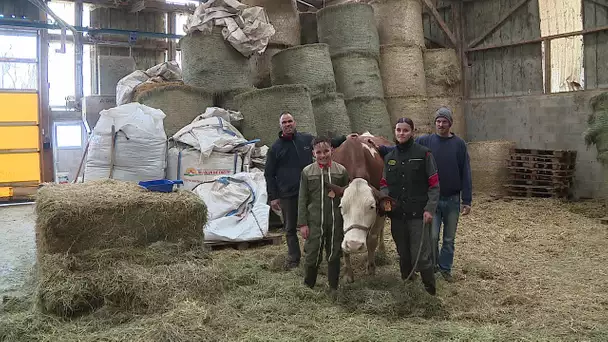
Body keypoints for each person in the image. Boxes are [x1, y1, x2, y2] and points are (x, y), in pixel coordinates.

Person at [372, 107, 472, 282]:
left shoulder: (459, 144)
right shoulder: (426, 141)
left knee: (449, 238)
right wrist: (379, 149)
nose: (441, 124)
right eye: (438, 121)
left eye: (444, 121)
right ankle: (431, 267)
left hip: (452, 199)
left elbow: (466, 172)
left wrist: (467, 199)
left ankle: (445, 269)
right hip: (430, 201)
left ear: (450, 123)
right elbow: (404, 149)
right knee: (432, 237)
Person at [264, 112, 356, 269]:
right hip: (288, 193)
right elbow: (269, 173)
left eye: (290, 121)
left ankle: (313, 254)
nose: (288, 124)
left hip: (310, 191)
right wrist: (273, 196)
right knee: (290, 227)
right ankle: (294, 258)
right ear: (280, 126)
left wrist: (345, 138)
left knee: (313, 224)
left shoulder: (306, 140)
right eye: (284, 122)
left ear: (295, 122)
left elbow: (326, 143)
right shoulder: (275, 148)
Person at [379, 117, 440, 295]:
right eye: (398, 130)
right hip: (397, 216)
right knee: (403, 255)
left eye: (405, 130)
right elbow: (384, 184)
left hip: (418, 216)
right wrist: (385, 201)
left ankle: (430, 291)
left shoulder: (424, 154)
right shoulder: (389, 158)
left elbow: (434, 185)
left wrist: (430, 209)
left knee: (421, 256)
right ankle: (408, 289)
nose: (401, 133)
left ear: (412, 132)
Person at [297, 137, 350, 294]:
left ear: (332, 150)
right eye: (319, 152)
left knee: (334, 253)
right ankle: (309, 286)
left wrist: (346, 222)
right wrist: (303, 224)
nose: (323, 155)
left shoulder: (341, 171)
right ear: (313, 153)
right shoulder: (307, 172)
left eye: (326, 151)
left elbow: (347, 198)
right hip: (314, 221)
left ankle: (333, 287)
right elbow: (302, 199)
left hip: (335, 220)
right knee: (313, 253)